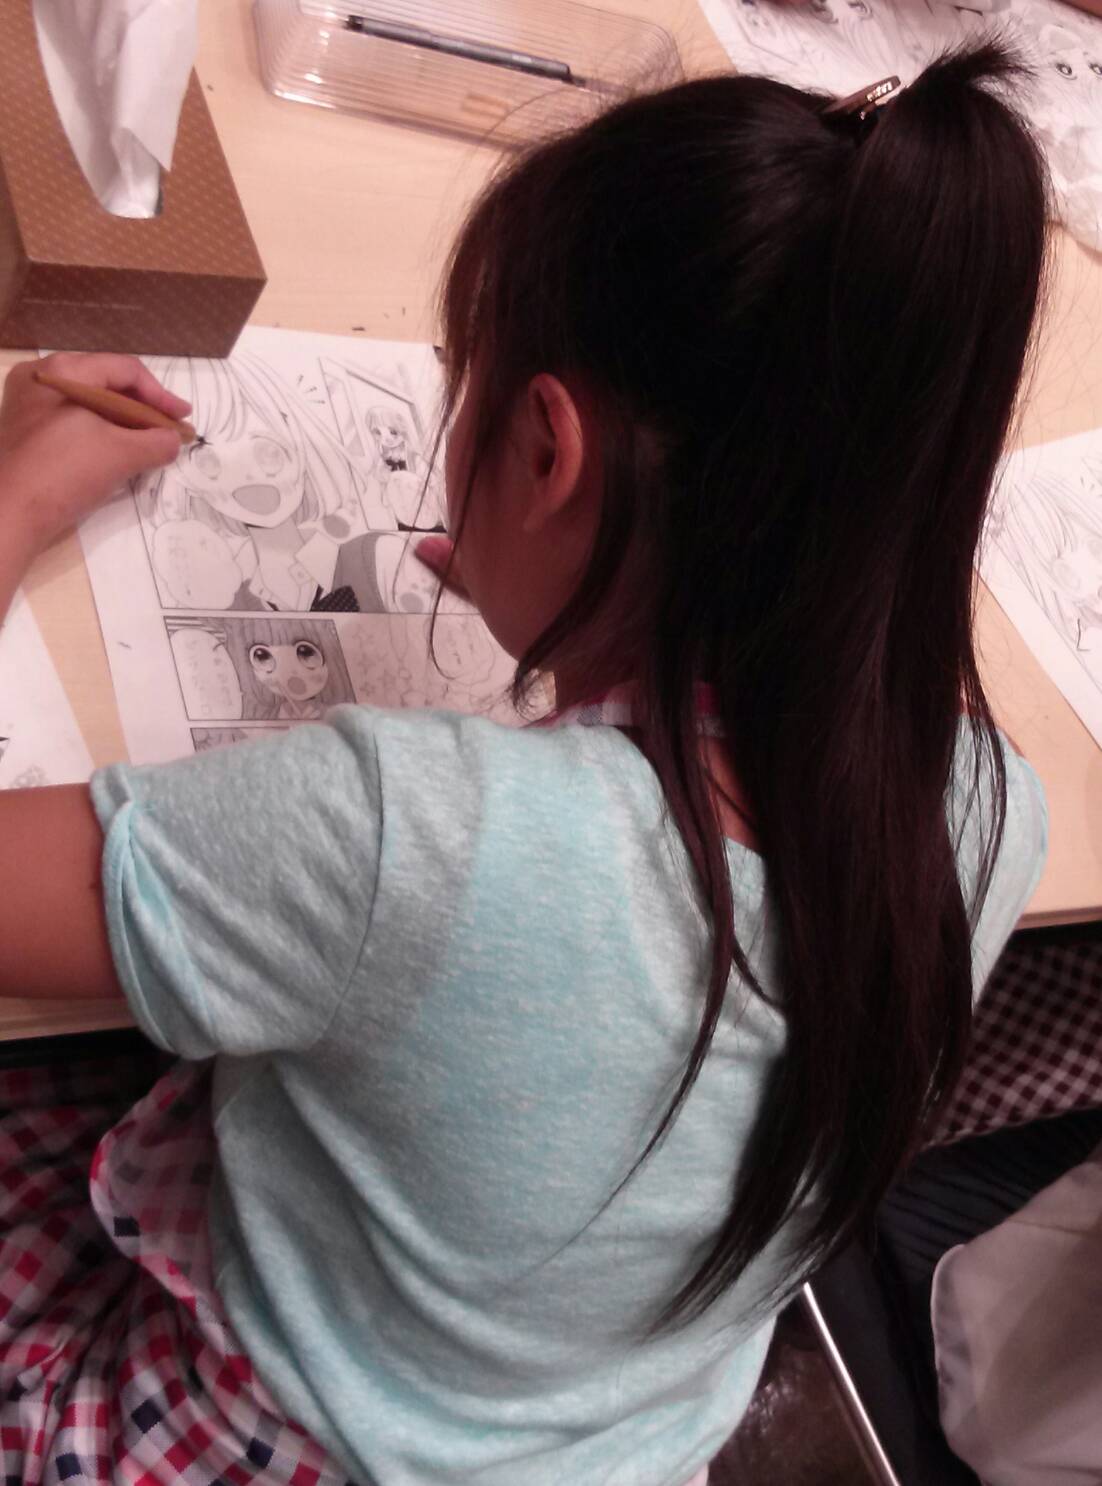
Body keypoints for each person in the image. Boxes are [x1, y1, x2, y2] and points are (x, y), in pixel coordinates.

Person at [0, 41, 1050, 1486]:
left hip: (273, 1434)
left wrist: (15, 493)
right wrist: (593, 624)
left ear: (549, 451)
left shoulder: (403, 838)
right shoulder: (996, 806)